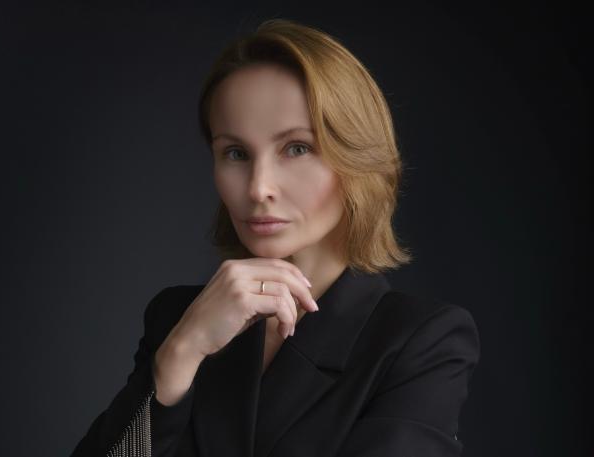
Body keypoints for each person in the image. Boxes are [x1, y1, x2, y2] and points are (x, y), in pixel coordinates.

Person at [70, 18, 480, 457]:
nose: (258, 187)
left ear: (357, 158)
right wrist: (180, 354)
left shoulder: (418, 340)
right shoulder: (176, 320)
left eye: (297, 148)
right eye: (236, 153)